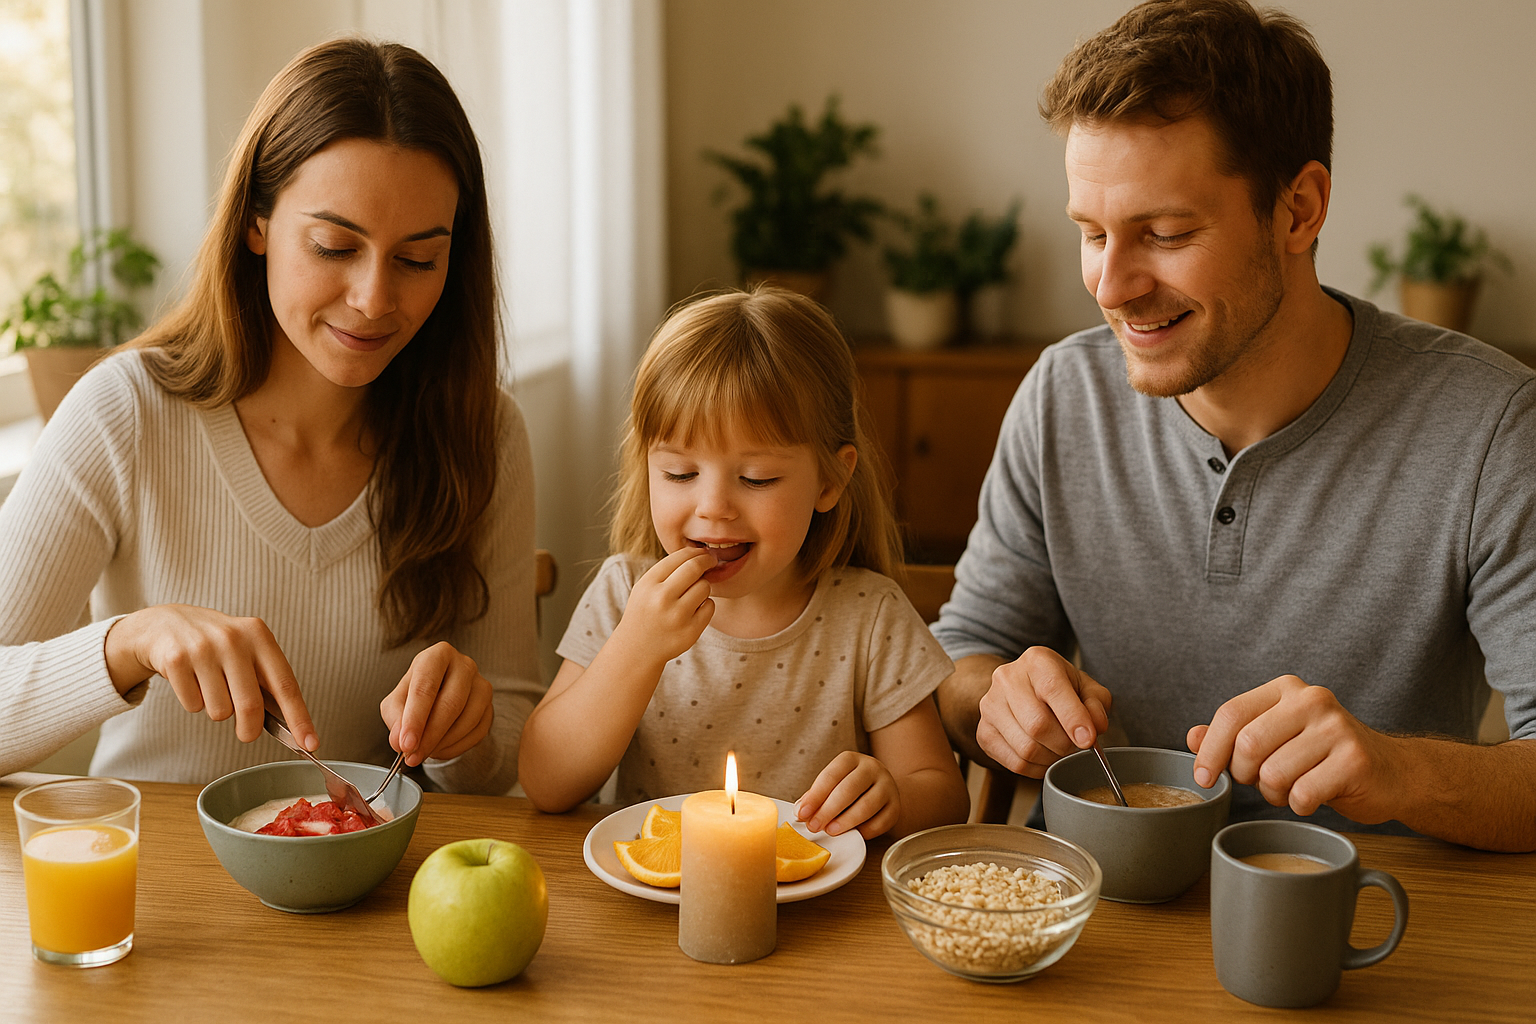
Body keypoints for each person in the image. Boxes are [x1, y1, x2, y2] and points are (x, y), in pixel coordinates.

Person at [932, 0, 1536, 852]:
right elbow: (965, 653)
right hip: (1103, 897)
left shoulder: (1491, 427)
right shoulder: (1062, 395)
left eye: (1165, 233)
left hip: (1367, 906)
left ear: (1299, 210)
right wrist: (991, 699)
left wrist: (1398, 770)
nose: (1110, 286)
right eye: (1092, 233)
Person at [0, 38, 542, 790]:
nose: (374, 299)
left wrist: (464, 730)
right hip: (156, 858)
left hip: (368, 861)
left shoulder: (482, 434)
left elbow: (508, 741)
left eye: (418, 260)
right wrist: (129, 642)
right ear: (257, 222)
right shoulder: (123, 413)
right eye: (333, 246)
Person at [518, 288, 968, 838]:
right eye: (681, 474)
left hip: (812, 888)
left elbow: (943, 796)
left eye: (757, 478)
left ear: (830, 480)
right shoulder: (623, 595)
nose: (713, 506)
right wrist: (634, 649)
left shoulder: (870, 616)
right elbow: (545, 783)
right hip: (658, 887)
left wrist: (893, 797)